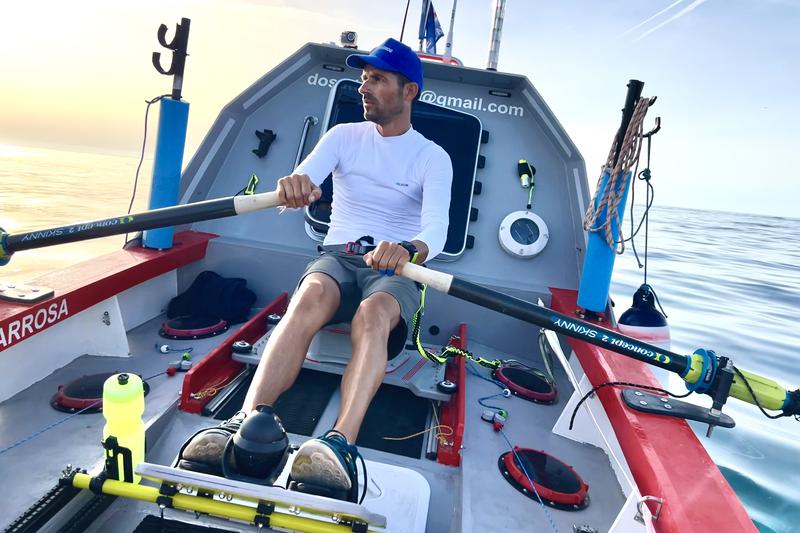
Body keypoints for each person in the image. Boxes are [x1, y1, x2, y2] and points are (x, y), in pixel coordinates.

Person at [179, 38, 453, 503]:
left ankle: (339, 444)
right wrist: (297, 185)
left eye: (378, 79)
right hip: (338, 257)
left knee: (373, 315)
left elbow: (437, 230)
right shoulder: (343, 136)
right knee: (308, 297)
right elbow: (307, 177)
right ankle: (245, 419)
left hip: (395, 269)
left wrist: (408, 249)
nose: (364, 87)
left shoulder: (432, 156)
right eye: (364, 78)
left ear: (410, 92)